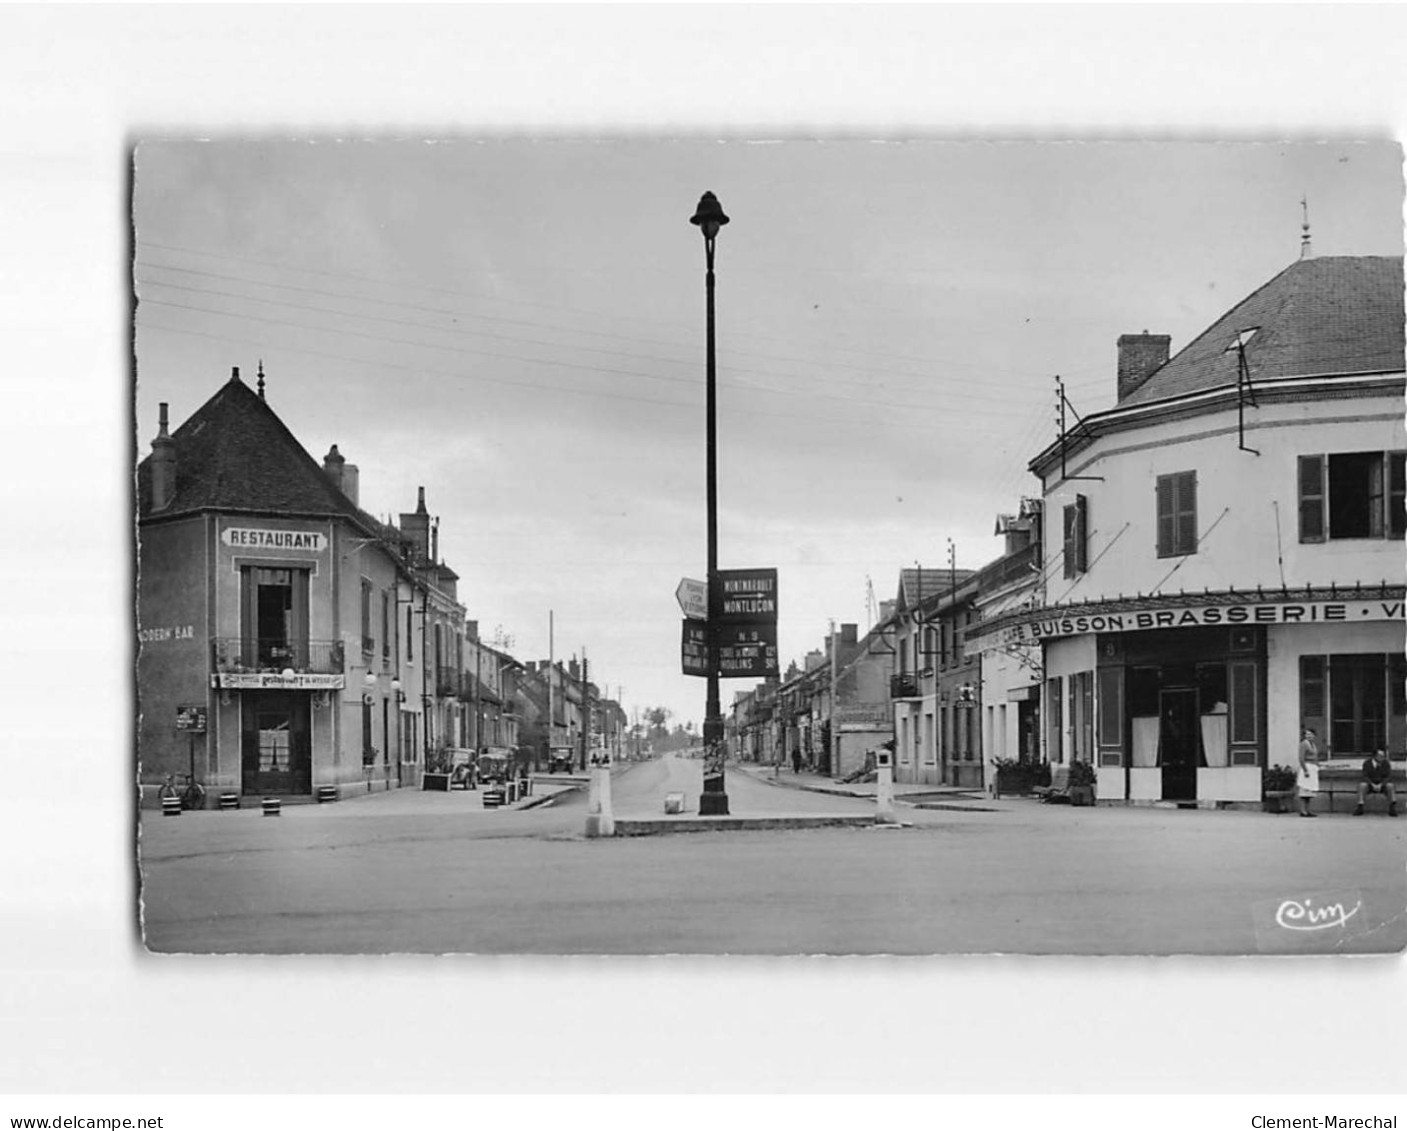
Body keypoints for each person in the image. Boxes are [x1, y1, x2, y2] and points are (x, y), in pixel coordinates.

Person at [1354, 749, 1398, 817]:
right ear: (1375, 756)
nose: (1383, 757)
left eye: (1383, 756)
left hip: (1382, 785)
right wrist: (1372, 784)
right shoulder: (1367, 763)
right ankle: (1360, 806)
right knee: (1362, 785)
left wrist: (1381, 784)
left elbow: (1388, 776)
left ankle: (1392, 807)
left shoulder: (1386, 763)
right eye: (1381, 756)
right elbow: (1365, 776)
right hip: (1370, 785)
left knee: (1390, 786)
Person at [1297, 726, 1320, 818]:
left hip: (1313, 767)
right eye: (1307, 734)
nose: (1309, 736)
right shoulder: (1304, 744)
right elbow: (1301, 758)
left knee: (1310, 791)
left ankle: (1308, 809)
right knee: (1304, 790)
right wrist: (1305, 770)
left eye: (1311, 734)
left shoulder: (1313, 744)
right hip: (1307, 767)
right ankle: (1303, 810)